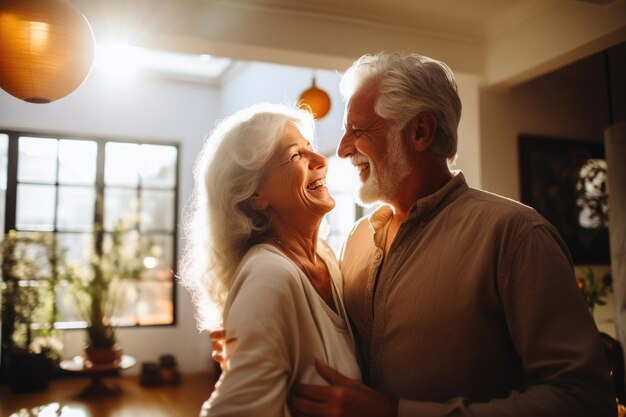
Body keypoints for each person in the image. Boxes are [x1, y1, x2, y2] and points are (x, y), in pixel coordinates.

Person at [289, 53, 617, 416]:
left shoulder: (516, 235)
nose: (342, 149)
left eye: (358, 130)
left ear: (420, 132)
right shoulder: (357, 240)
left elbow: (584, 399)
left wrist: (395, 414)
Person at [179, 103, 361, 416]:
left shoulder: (326, 257)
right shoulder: (269, 275)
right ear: (256, 195)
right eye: (296, 155)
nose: (320, 161)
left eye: (309, 148)